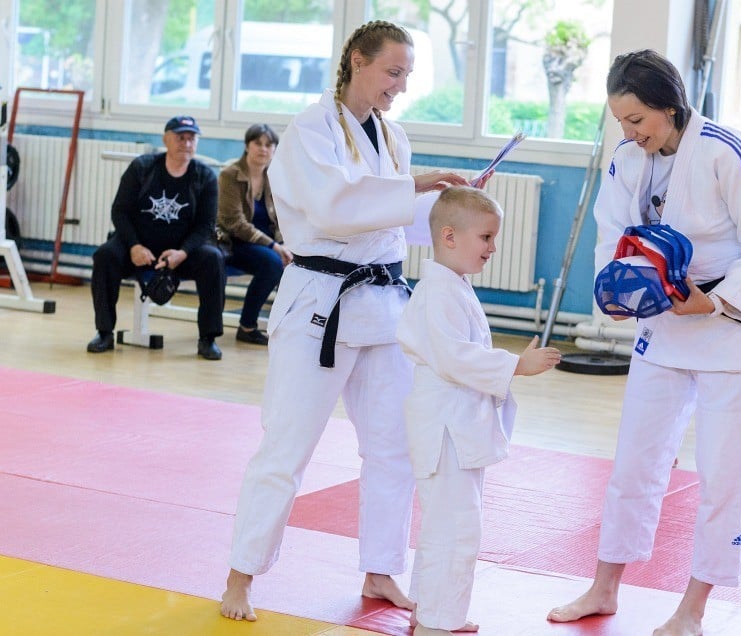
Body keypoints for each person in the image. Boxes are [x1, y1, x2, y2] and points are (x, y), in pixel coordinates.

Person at [220, 20, 474, 622]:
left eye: (407, 74)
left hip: (384, 306)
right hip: (319, 304)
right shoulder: (310, 129)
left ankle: (381, 570)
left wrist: (448, 207)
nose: (400, 85)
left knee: (393, 448)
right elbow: (336, 206)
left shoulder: (394, 135)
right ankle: (240, 577)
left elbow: (396, 223)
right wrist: (413, 185)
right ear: (356, 61)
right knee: (287, 445)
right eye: (392, 71)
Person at [546, 49, 741, 635]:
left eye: (637, 121)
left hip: (729, 331)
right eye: (621, 122)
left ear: (669, 106)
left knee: (721, 474)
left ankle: (692, 610)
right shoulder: (627, 159)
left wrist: (717, 299)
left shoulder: (728, 151)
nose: (628, 133)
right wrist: (613, 295)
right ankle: (604, 587)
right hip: (664, 325)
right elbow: (611, 234)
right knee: (634, 461)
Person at [396, 187, 561, 636]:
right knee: (456, 528)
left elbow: (462, 353)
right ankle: (435, 620)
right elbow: (454, 358)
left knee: (449, 525)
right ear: (449, 236)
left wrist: (509, 365)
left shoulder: (453, 286)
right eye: (486, 237)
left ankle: (432, 610)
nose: (493, 248)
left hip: (457, 424)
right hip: (446, 428)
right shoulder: (437, 293)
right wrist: (515, 366)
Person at [87, 115, 225, 361]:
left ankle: (208, 338)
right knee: (105, 256)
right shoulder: (142, 168)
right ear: (166, 139)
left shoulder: (205, 176)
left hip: (182, 252)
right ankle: (104, 332)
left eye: (191, 138)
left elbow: (205, 225)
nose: (186, 143)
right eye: (180, 137)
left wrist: (182, 252)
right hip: (139, 246)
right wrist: (134, 246)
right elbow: (119, 211)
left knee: (213, 259)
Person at [216, 123, 292, 346]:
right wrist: (275, 247)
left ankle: (287, 328)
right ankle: (247, 326)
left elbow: (281, 218)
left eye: (269, 144)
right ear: (247, 146)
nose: (263, 149)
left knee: (296, 263)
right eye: (257, 143)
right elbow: (235, 223)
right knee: (272, 262)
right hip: (233, 242)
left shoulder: (274, 176)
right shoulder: (230, 175)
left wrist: (286, 244)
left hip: (265, 244)